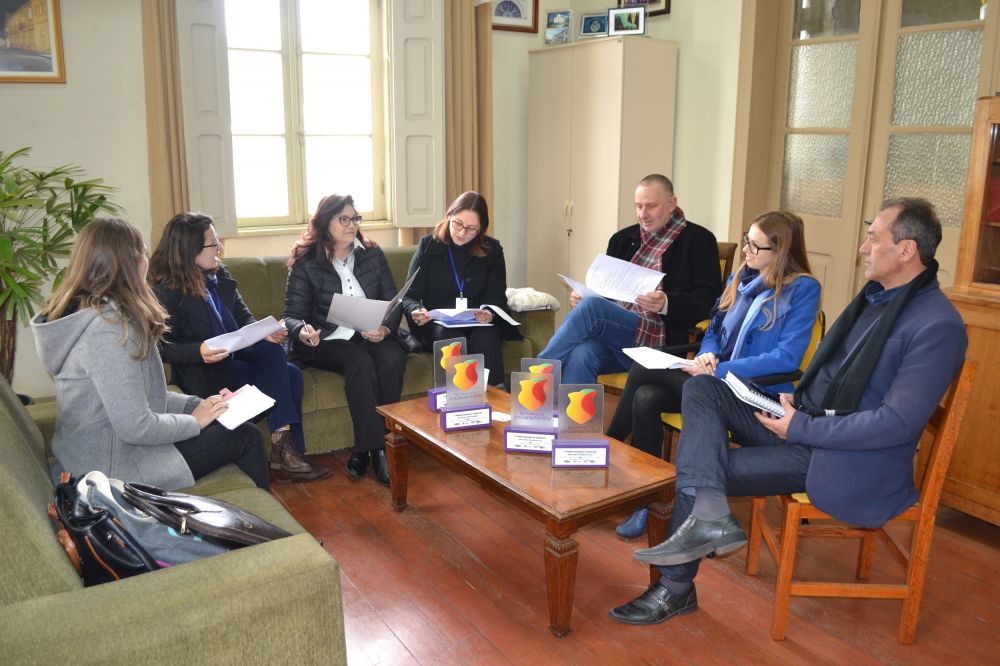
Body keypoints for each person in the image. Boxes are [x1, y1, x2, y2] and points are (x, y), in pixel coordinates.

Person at [608, 198, 967, 626]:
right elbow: (837, 375)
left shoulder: (936, 325)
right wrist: (800, 406)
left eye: (873, 238)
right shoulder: (877, 301)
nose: (863, 248)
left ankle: (676, 586)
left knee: (706, 469)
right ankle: (704, 526)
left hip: (842, 455)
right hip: (805, 422)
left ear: (906, 250)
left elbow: (897, 423)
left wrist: (803, 426)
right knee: (703, 388)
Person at [607, 211, 820, 539]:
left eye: (756, 246)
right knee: (646, 397)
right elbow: (714, 329)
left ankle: (607, 451)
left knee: (643, 367)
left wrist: (720, 369)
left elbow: (786, 357)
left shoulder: (802, 289)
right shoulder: (741, 277)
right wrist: (708, 353)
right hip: (712, 380)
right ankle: (647, 501)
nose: (747, 250)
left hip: (754, 394)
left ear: (780, 253)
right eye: (747, 240)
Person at [31, 218, 269, 491]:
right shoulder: (108, 333)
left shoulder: (95, 317)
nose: (147, 260)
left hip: (103, 452)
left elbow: (144, 396)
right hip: (110, 467)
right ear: (128, 265)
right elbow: (136, 426)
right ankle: (274, 535)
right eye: (143, 252)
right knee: (246, 436)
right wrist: (195, 421)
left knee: (232, 421)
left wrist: (201, 405)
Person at [149, 212, 331, 483]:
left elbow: (244, 317)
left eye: (217, 240)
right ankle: (288, 454)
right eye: (213, 243)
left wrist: (265, 333)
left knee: (274, 355)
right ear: (190, 250)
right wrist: (198, 351)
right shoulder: (166, 291)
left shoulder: (219, 274)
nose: (219, 248)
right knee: (290, 374)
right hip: (204, 369)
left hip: (235, 354)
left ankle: (285, 450)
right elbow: (161, 348)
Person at [538, 174, 722, 384]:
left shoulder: (699, 240)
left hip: (661, 339)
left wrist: (666, 303)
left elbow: (709, 300)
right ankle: (569, 417)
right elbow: (607, 293)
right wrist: (586, 296)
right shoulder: (622, 240)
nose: (643, 214)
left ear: (672, 204)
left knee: (592, 310)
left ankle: (537, 377)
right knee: (584, 353)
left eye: (651, 206)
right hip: (621, 336)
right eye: (638, 206)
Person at [283, 193, 406, 485]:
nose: (352, 225)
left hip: (368, 333)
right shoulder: (306, 261)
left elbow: (394, 301)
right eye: (344, 219)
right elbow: (291, 315)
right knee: (359, 362)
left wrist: (386, 329)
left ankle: (371, 446)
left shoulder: (372, 254)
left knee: (393, 356)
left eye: (355, 218)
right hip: (326, 341)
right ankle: (378, 450)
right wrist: (303, 331)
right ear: (325, 223)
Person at [402, 191, 514, 388]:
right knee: (452, 339)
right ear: (449, 217)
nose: (462, 233)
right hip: (436, 324)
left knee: (486, 337)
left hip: (476, 322)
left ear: (481, 229)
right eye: (458, 224)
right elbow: (410, 296)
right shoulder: (428, 246)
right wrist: (415, 311)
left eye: (471, 228)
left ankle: (497, 397)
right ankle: (458, 398)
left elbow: (497, 297)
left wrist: (489, 314)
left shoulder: (492, 251)